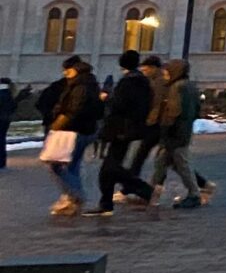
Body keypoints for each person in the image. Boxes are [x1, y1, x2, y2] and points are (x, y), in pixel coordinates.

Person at [94, 51, 157, 216]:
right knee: (110, 168)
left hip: (121, 129)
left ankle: (143, 190)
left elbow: (119, 105)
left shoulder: (127, 82)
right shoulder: (143, 82)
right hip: (131, 129)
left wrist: (106, 98)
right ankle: (106, 204)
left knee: (109, 168)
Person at [146, 58, 215, 208]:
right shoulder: (190, 86)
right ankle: (150, 192)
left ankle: (194, 194)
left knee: (181, 164)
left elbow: (173, 111)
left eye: (167, 72)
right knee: (162, 162)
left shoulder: (176, 88)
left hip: (175, 132)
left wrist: (166, 127)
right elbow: (197, 110)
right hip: (183, 130)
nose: (164, 75)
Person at [39, 57, 101, 215]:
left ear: (75, 70)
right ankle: (72, 198)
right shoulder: (88, 83)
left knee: (57, 164)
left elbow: (74, 110)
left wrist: (57, 123)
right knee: (72, 166)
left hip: (73, 131)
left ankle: (75, 195)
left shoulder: (80, 86)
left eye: (67, 70)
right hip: (83, 130)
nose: (65, 73)